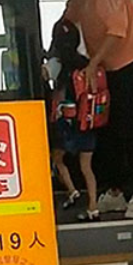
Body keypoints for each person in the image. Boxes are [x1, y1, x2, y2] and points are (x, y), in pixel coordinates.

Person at [62, 0, 133, 219]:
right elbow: (67, 20)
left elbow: (117, 32)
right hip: (106, 69)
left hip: (130, 65)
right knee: (105, 130)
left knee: (128, 131)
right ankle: (115, 191)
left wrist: (93, 63)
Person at [45, 19, 100, 221]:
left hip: (67, 125)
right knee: (87, 167)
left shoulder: (57, 64)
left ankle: (72, 191)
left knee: (57, 158)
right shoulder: (87, 62)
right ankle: (93, 207)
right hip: (88, 121)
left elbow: (44, 77)